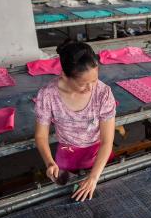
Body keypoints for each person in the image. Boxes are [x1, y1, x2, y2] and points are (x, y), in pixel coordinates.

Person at [34, 39, 116, 202]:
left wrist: (93, 177)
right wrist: (50, 163)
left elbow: (107, 141)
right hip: (67, 152)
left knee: (103, 192)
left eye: (94, 80)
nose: (91, 88)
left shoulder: (103, 93)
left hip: (97, 151)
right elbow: (40, 136)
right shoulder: (47, 95)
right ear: (64, 75)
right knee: (66, 194)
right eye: (83, 84)